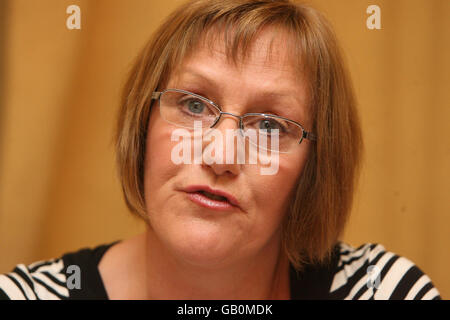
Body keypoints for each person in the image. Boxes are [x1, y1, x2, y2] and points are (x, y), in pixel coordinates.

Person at [0, 0, 441, 300]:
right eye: (194, 104)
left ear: (314, 168)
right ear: (143, 124)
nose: (221, 155)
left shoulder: (380, 289)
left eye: (269, 125)